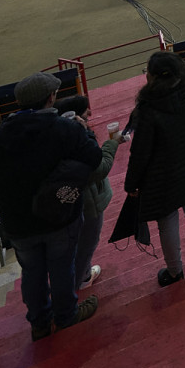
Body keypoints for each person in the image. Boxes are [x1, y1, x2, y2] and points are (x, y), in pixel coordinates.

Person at [0, 72, 102, 339]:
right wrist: (84, 132)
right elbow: (95, 158)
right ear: (51, 98)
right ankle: (66, 316)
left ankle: (40, 324)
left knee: (32, 273)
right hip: (59, 217)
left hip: (18, 223)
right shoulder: (65, 129)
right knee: (63, 268)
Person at [112, 52, 185, 288]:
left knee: (167, 220)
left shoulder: (149, 110)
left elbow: (140, 154)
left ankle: (175, 271)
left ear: (153, 77)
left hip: (163, 179)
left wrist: (131, 184)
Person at [55, 95, 122, 289]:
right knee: (87, 241)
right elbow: (99, 168)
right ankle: (79, 281)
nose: (90, 114)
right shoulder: (78, 141)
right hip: (87, 202)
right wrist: (112, 144)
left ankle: (80, 275)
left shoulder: (58, 137)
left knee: (76, 241)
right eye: (86, 111)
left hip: (70, 202)